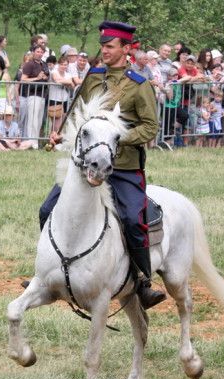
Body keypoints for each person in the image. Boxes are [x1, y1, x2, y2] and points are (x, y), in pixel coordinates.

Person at [43, 21, 165, 309]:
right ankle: (47, 272)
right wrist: (60, 131)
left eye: (110, 46)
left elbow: (150, 128)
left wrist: (114, 140)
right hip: (86, 167)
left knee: (134, 221)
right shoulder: (94, 76)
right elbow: (76, 113)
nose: (105, 51)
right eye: (103, 46)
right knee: (48, 209)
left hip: (122, 168)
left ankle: (142, 282)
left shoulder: (139, 85)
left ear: (126, 49)